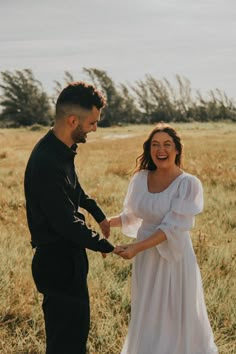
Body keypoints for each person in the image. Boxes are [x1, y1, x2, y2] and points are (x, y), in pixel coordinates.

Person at [110, 123, 218, 354]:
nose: (161, 149)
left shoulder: (188, 184)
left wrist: (136, 247)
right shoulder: (140, 179)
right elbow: (133, 215)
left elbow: (171, 227)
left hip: (174, 257)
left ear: (177, 149)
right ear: (149, 150)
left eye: (167, 144)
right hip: (146, 258)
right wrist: (107, 222)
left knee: (175, 311)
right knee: (147, 310)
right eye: (155, 144)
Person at [24, 81, 115, 354]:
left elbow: (73, 189)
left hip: (69, 259)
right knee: (66, 344)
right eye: (92, 123)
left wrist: (98, 214)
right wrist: (106, 245)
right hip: (57, 262)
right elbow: (66, 223)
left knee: (75, 338)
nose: (94, 129)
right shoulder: (46, 162)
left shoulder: (61, 151)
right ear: (73, 120)